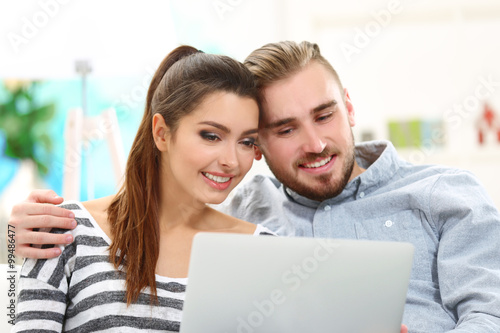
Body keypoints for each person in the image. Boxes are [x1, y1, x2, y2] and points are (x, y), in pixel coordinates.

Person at [10, 40, 497, 332]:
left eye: (324, 115)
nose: (315, 142)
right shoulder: (250, 219)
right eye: (284, 129)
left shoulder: (444, 196)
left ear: (348, 107)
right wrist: (11, 239)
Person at [11, 45, 277, 332]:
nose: (231, 161)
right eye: (211, 136)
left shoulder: (263, 251)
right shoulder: (65, 231)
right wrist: (11, 239)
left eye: (247, 142)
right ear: (162, 133)